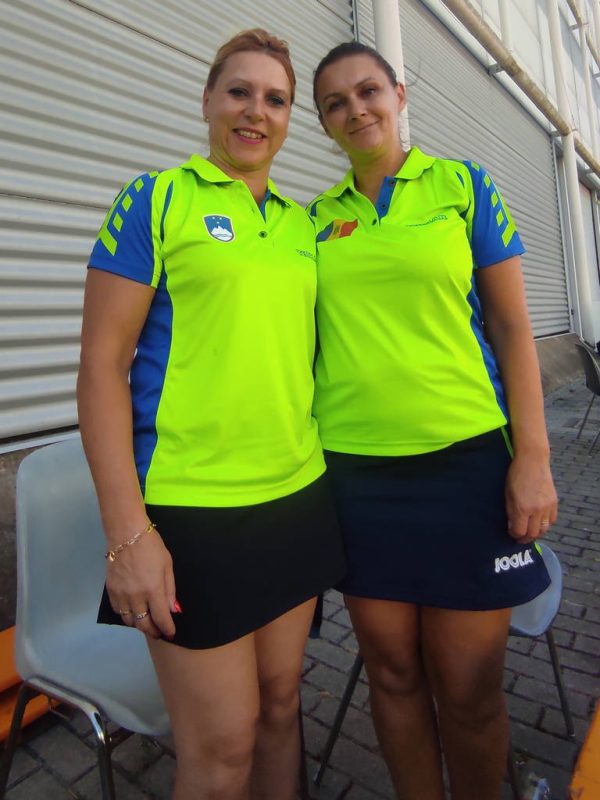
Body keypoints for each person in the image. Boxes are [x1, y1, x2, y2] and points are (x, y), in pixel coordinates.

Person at [77, 29, 345, 800]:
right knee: (222, 748)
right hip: (192, 514)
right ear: (206, 101)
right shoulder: (158, 199)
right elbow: (100, 368)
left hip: (297, 497)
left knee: (282, 709)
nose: (256, 111)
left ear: (290, 118)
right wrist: (128, 534)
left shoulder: (305, 227)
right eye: (239, 92)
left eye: (276, 99)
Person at [309, 41, 558, 800]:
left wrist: (533, 457)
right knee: (391, 674)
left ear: (399, 95)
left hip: (467, 468)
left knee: (470, 686)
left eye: (368, 91)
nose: (356, 110)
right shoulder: (313, 221)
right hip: (358, 478)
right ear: (323, 123)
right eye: (335, 103)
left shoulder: (463, 186)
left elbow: (512, 327)